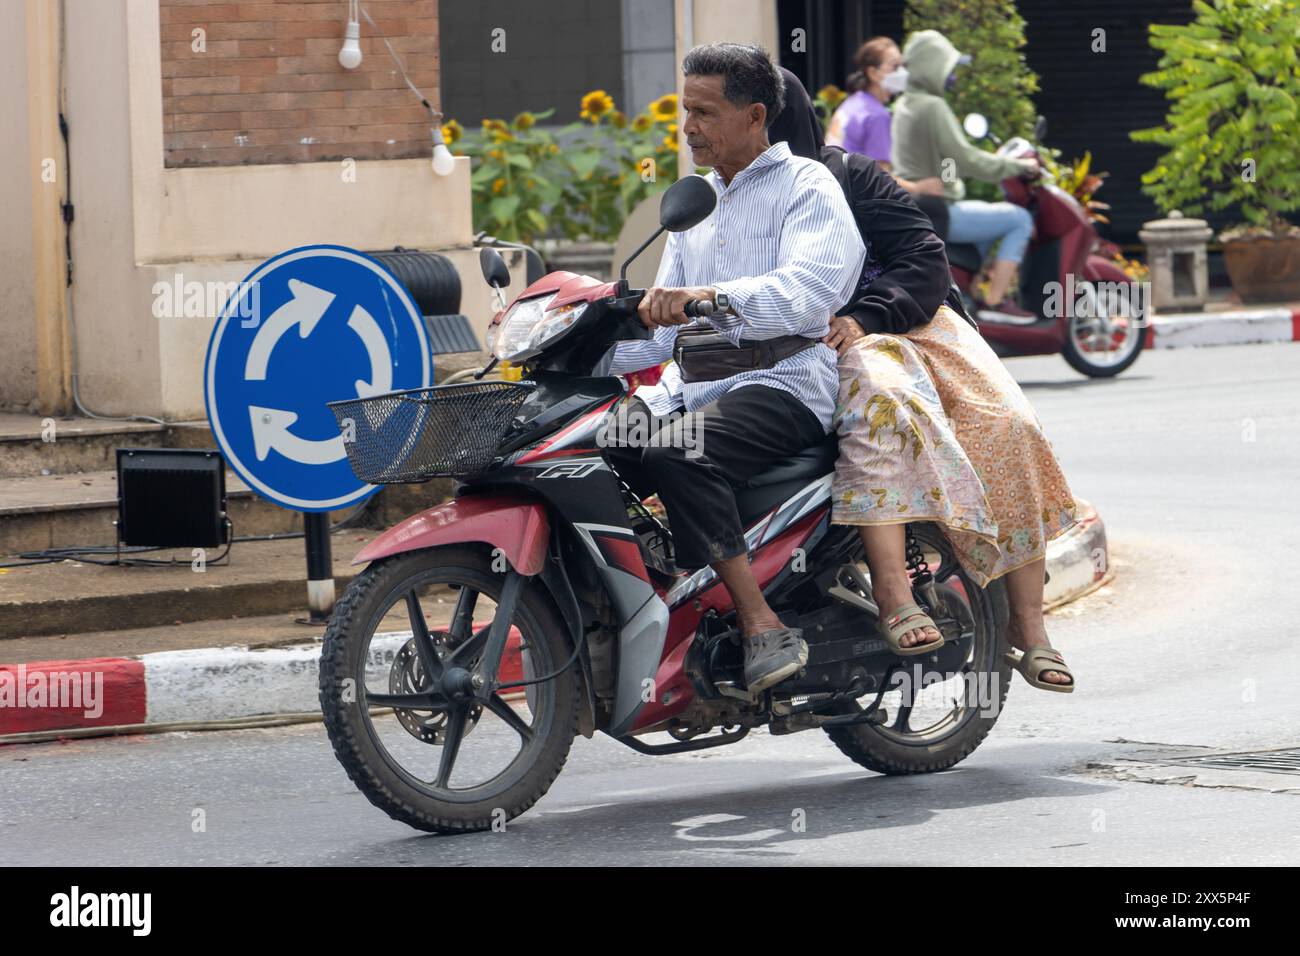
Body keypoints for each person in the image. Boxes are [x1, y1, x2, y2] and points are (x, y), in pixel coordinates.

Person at [774, 70, 1078, 692]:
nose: (697, 129)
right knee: (882, 407)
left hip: (907, 319)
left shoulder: (851, 176)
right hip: (827, 341)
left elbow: (924, 259)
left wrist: (867, 314)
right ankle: (893, 592)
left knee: (1009, 424)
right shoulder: (726, 197)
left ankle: (1030, 626)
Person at [605, 43, 865, 694]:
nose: (688, 126)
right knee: (592, 445)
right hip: (692, 387)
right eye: (684, 111)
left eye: (703, 112)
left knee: (676, 451)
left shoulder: (808, 187)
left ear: (754, 116)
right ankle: (668, 600)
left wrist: (709, 298)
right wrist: (578, 345)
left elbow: (807, 293)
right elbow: (660, 334)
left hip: (783, 383)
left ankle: (759, 623)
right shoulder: (694, 203)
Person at [890, 29, 1041, 321]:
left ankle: (970, 294)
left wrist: (954, 175)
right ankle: (996, 304)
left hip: (921, 205)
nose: (953, 77)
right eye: (948, 68)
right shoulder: (933, 107)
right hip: (940, 210)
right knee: (1019, 219)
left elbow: (946, 158)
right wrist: (1019, 167)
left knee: (989, 219)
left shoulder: (905, 104)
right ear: (933, 67)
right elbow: (965, 158)